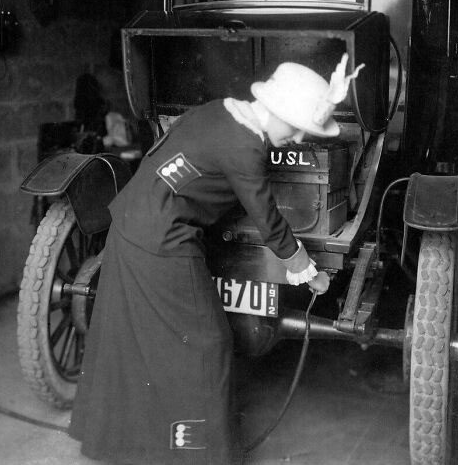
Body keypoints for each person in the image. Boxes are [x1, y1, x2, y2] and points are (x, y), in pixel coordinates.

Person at [68, 54, 364, 464]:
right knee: (209, 343)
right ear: (278, 112)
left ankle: (134, 446)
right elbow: (269, 221)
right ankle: (203, 456)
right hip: (162, 241)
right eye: (297, 127)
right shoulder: (246, 149)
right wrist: (307, 271)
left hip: (130, 224)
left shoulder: (219, 110)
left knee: (132, 340)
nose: (298, 138)